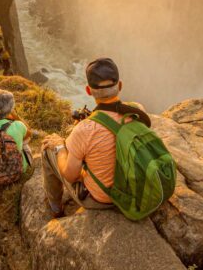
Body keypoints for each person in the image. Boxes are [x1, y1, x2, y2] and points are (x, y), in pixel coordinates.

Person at [41, 57, 150, 217]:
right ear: (120, 85)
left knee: (47, 150)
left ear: (88, 90)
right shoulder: (136, 112)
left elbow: (71, 175)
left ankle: (55, 208)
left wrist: (59, 146)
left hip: (102, 199)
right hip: (134, 188)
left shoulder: (85, 130)